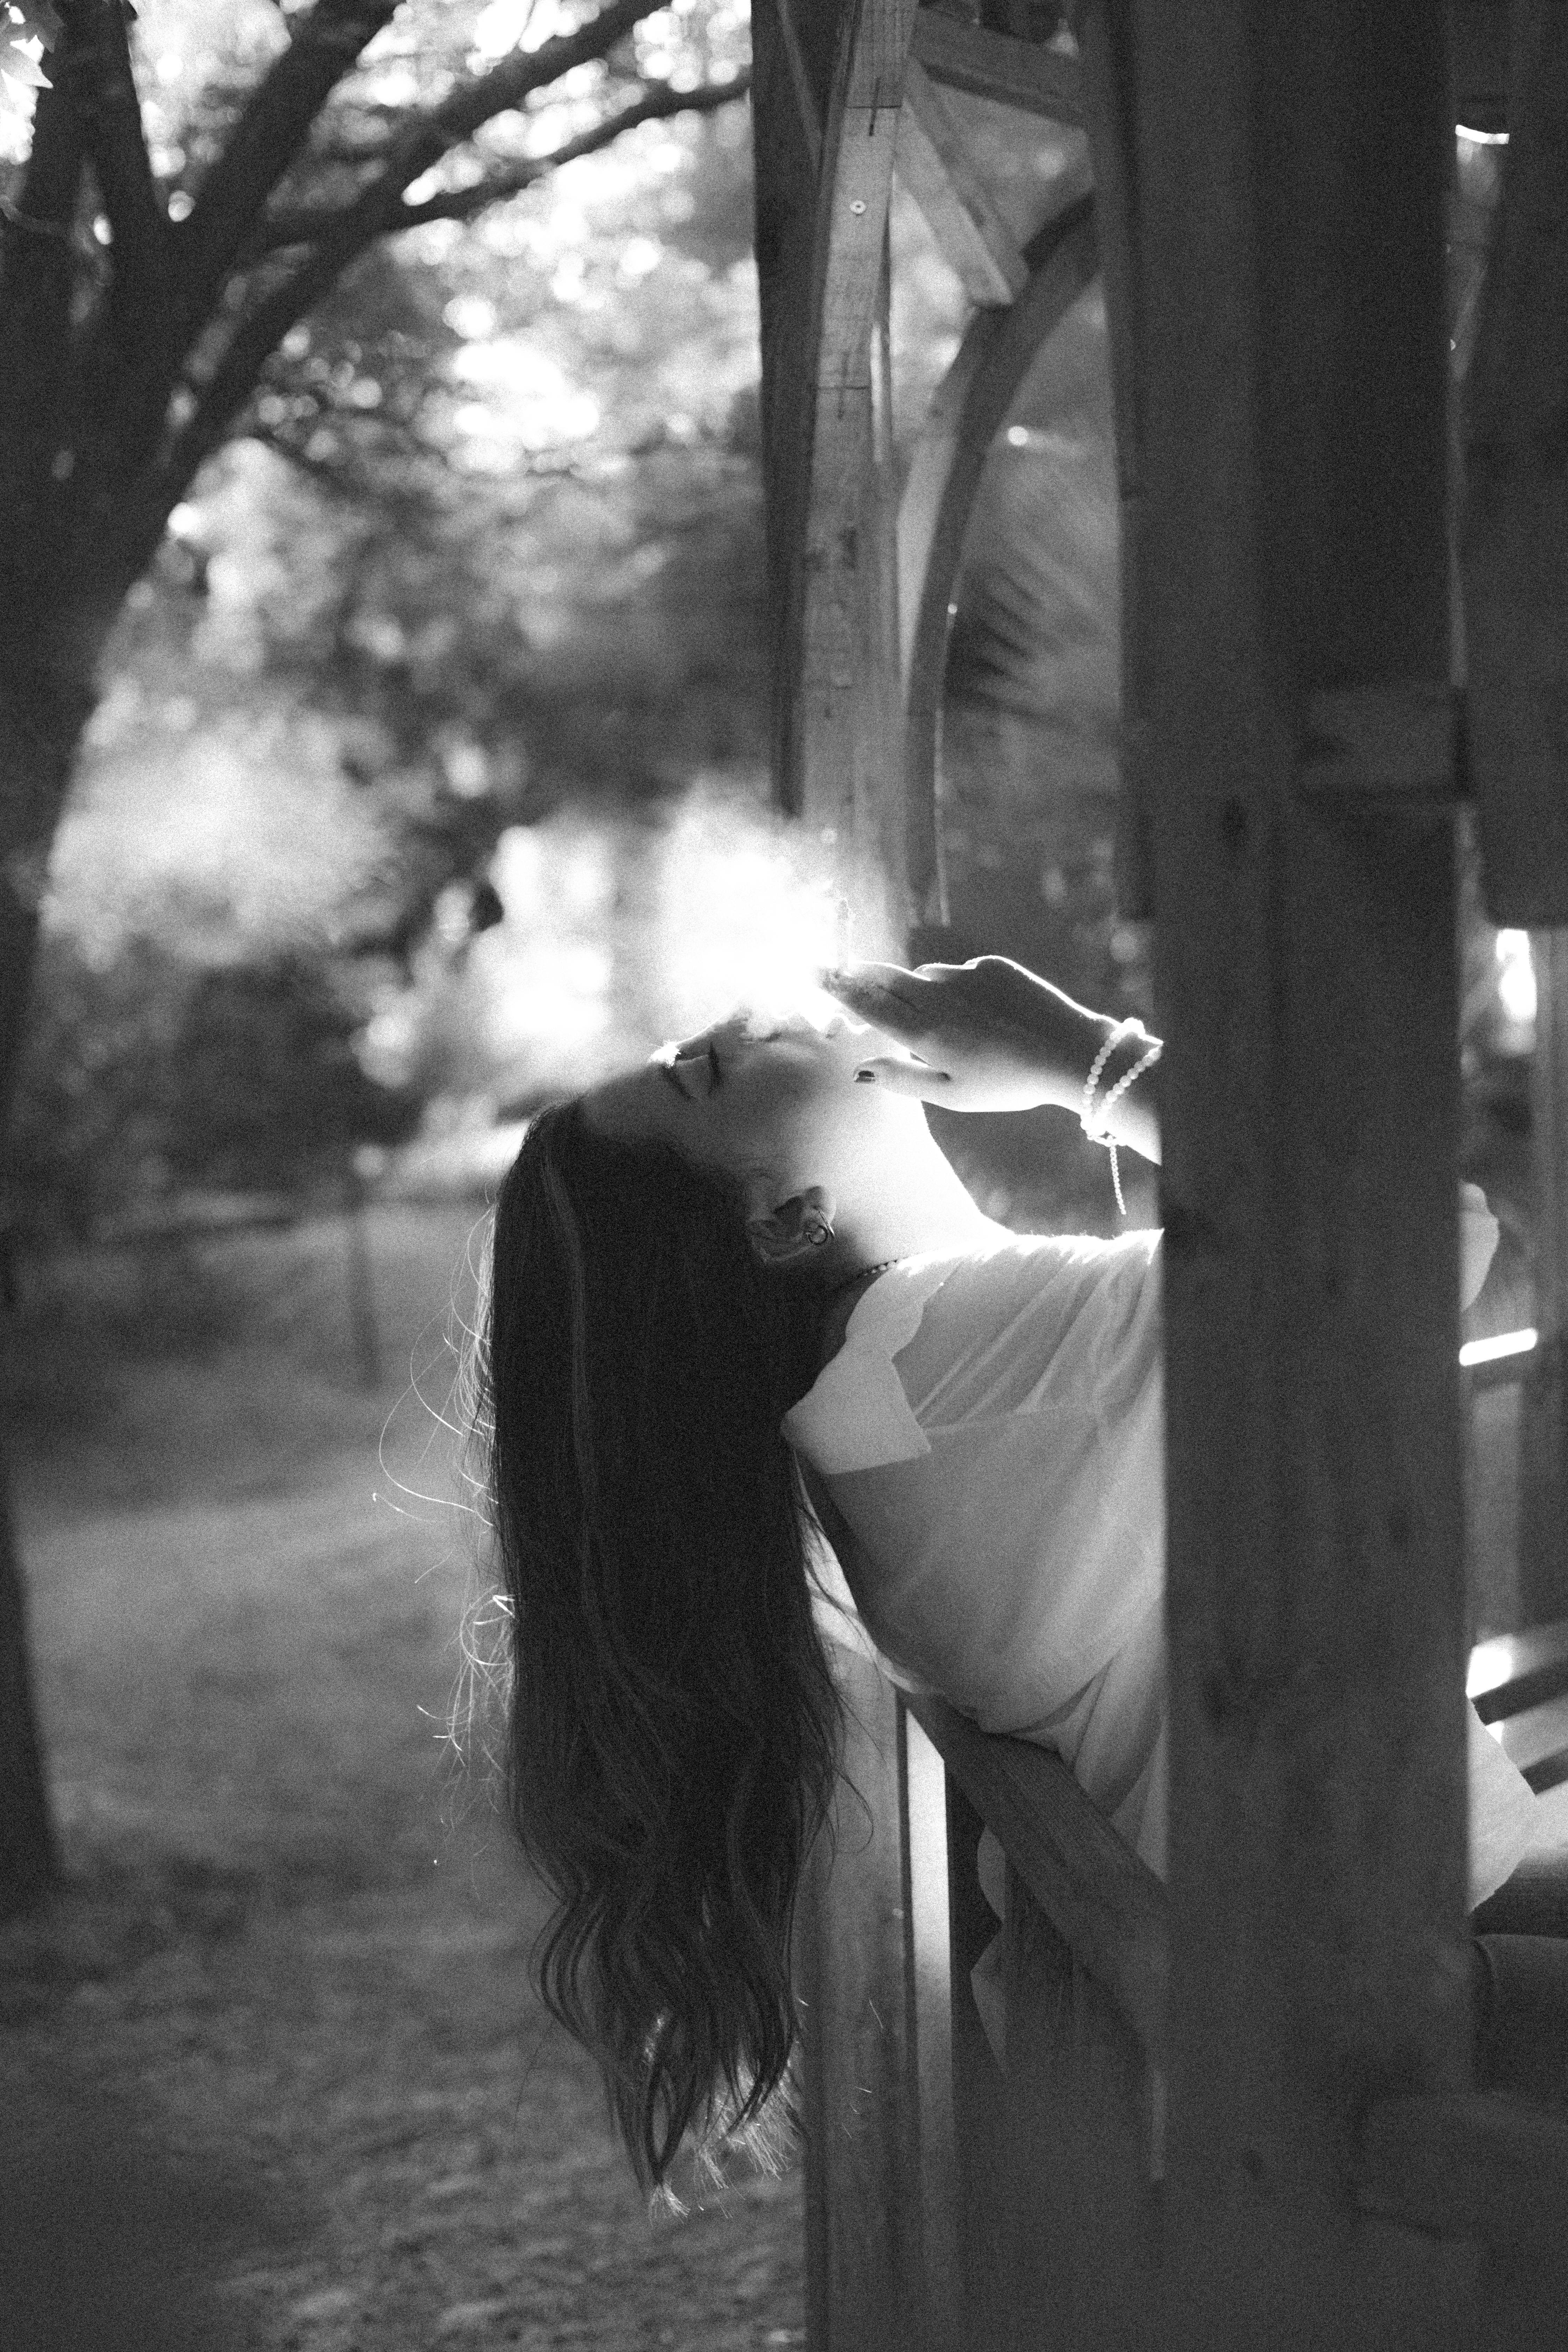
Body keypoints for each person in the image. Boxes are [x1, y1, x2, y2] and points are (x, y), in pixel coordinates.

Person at [475, 954, 1544, 2193]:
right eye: (708, 1068)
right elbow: (1418, 1246)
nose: (745, 1016)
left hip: (1281, 1979)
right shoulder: (979, 1354)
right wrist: (1078, 1054)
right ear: (782, 1220)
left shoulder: (887, 1386)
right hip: (1370, 2010)